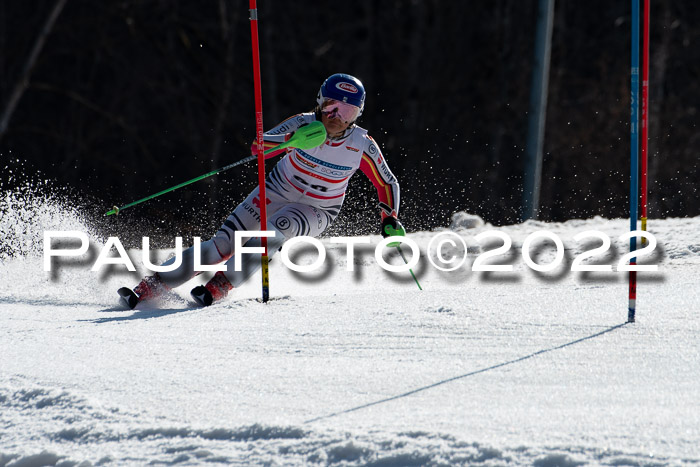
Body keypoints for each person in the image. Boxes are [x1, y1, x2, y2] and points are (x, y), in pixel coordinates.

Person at [118, 73, 404, 309]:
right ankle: (151, 286)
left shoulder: (361, 144)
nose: (336, 117)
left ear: (357, 115)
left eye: (347, 111)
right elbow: (261, 147)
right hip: (275, 190)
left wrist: (388, 217)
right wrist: (292, 141)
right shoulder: (303, 123)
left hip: (318, 209)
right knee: (222, 245)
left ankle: (221, 284)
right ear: (319, 102)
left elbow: (386, 182)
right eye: (330, 106)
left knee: (274, 231)